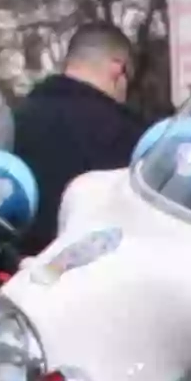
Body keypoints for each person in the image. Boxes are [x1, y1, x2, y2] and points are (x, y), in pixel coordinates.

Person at [9, 23, 149, 256]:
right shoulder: (127, 133)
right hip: (93, 279)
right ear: (118, 69)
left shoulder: (16, 119)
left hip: (18, 276)